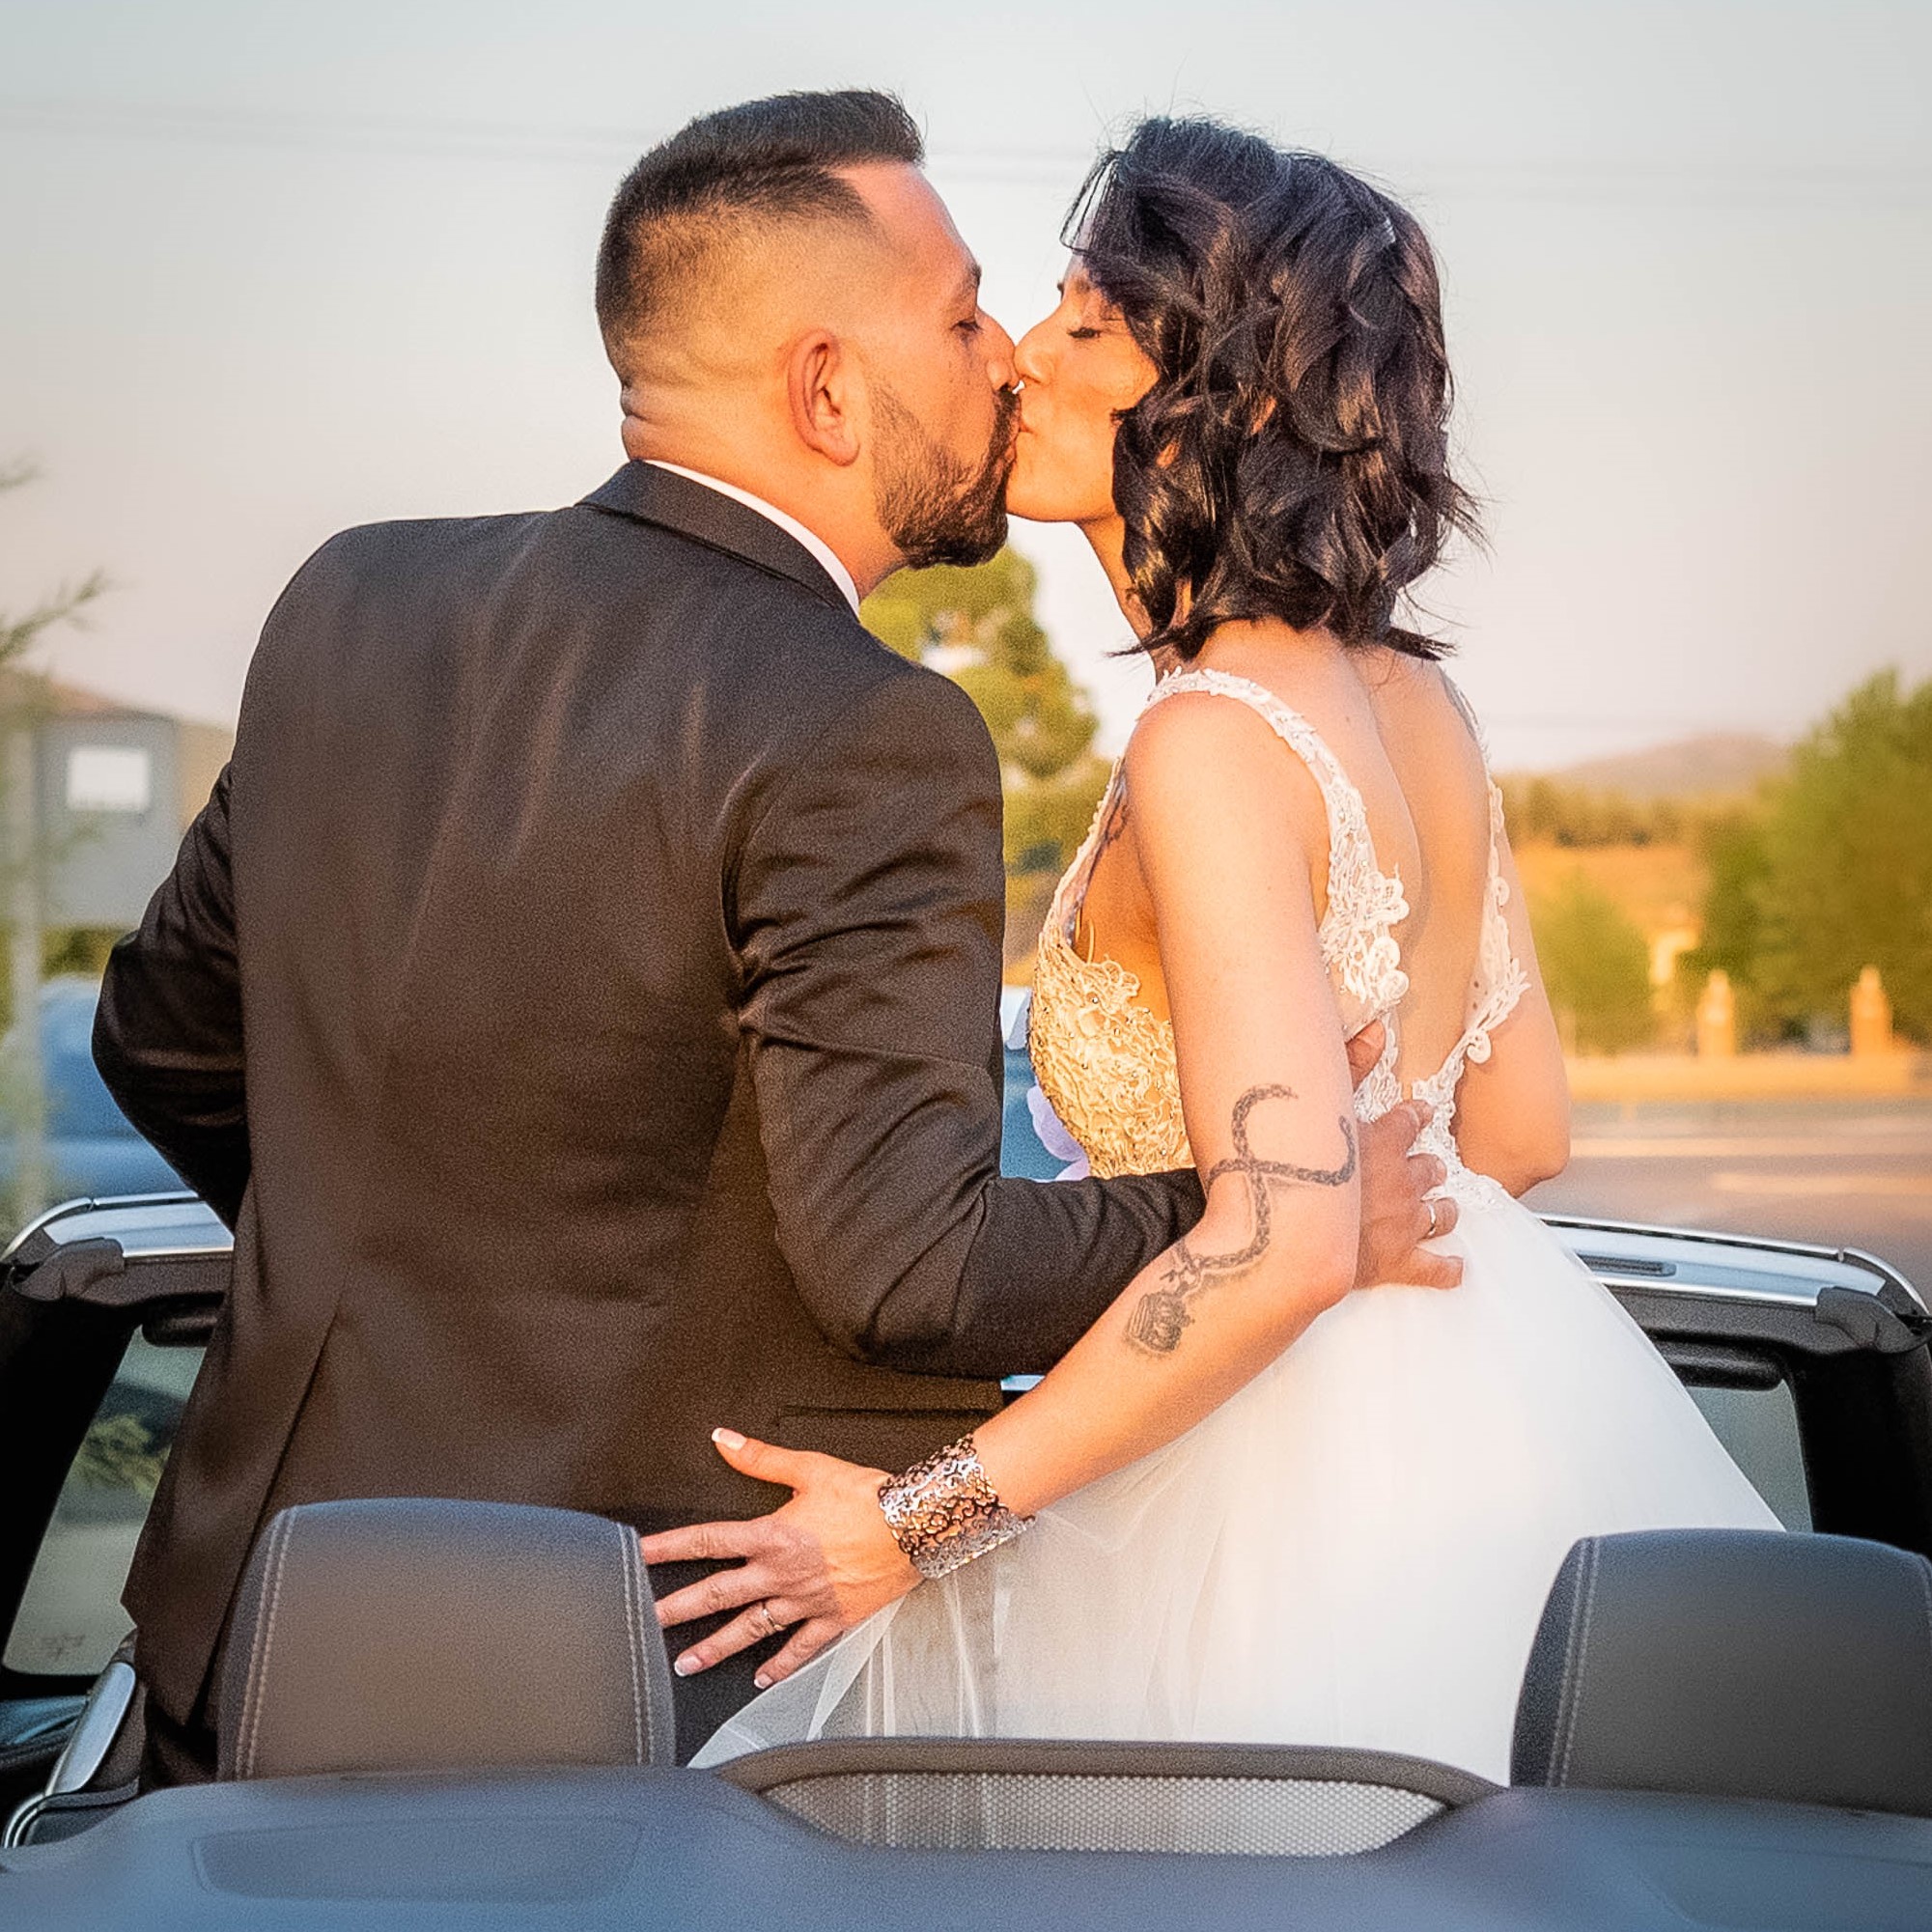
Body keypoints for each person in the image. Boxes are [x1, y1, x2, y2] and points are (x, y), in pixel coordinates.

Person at [93, 93, 1453, 1782]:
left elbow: (156, 1036)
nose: (1003, 361)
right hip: (639, 1688)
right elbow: (910, 1270)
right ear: (825, 390)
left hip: (245, 1640)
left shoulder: (349, 600)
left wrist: (401, 1282)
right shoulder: (864, 731)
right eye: (961, 316)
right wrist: (1271, 1209)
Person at [656, 119, 1779, 1783]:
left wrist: (912, 1524)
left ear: (1224, 399)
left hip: (1261, 1528)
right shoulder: (1411, 700)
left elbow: (1282, 1240)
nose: (1020, 356)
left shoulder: (1209, 739)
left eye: (1083, 324)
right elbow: (1516, 1132)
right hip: (1472, 1453)